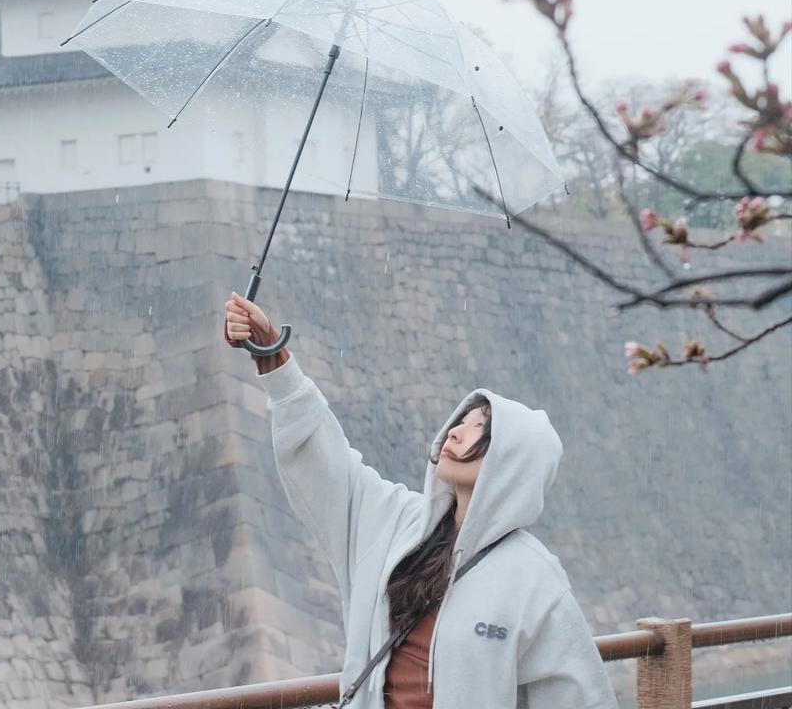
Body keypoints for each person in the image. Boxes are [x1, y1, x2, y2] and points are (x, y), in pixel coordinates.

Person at [224, 292, 619, 709]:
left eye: (480, 429)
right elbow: (327, 467)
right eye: (461, 420)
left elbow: (580, 698)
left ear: (511, 462)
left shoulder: (534, 579)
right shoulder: (398, 522)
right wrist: (273, 357)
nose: (455, 431)